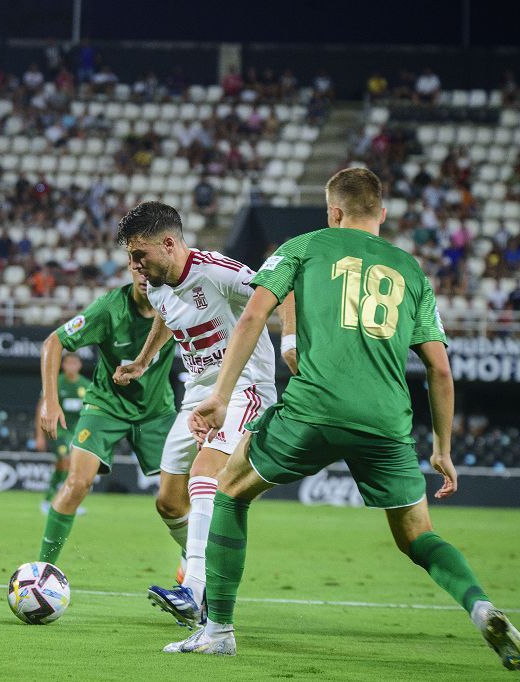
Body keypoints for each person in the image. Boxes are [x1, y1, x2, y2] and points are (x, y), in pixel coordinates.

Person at [164, 168, 519, 671]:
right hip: (387, 421)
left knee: (227, 489)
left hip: (315, 407)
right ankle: (480, 605)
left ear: (333, 212)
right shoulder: (411, 269)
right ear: (383, 214)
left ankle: (217, 629)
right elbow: (440, 369)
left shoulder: (305, 245)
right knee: (418, 535)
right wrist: (442, 447)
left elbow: (250, 317)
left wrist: (220, 396)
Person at [112, 201, 284, 624]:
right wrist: (143, 360)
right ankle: (200, 574)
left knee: (205, 471)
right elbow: (167, 319)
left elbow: (281, 289)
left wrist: (294, 341)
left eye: (140, 255)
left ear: (168, 244)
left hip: (244, 388)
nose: (135, 265)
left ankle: (195, 588)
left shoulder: (217, 271)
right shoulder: (155, 284)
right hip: (196, 393)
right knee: (169, 503)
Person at [35, 265, 177, 566]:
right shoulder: (110, 308)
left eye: (148, 268)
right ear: (129, 268)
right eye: (136, 268)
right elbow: (53, 342)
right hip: (105, 405)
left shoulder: (178, 303)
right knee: (76, 484)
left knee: (174, 503)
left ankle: (191, 576)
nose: (143, 275)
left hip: (156, 411)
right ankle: (43, 571)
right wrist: (50, 400)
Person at [34, 352, 92, 515]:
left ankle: (68, 502)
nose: (72, 366)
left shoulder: (86, 385)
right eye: (68, 363)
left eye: (75, 363)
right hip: (58, 431)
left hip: (78, 433)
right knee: (66, 461)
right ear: (63, 365)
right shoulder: (55, 383)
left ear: (79, 365)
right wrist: (39, 436)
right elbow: (41, 409)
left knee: (70, 467)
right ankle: (50, 500)